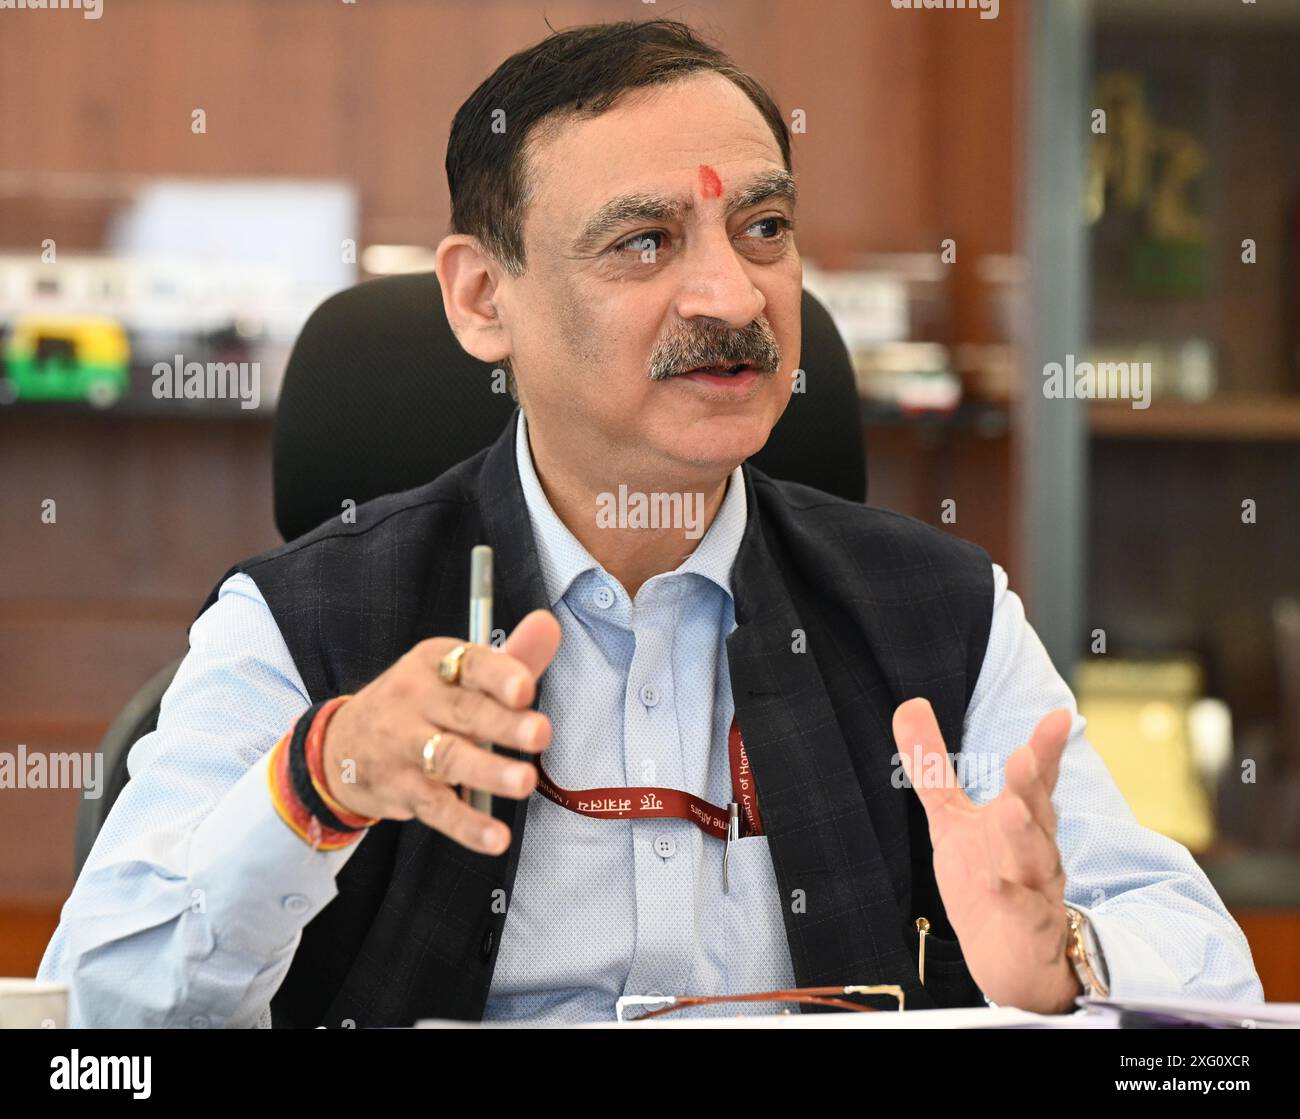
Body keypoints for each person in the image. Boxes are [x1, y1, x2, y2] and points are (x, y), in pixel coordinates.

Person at [39, 18, 1263, 1027]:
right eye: (644, 242)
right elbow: (110, 1019)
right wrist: (326, 777)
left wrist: (1067, 958)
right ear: (481, 298)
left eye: (764, 230)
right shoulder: (304, 624)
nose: (734, 296)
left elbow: (1209, 969)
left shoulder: (937, 613)